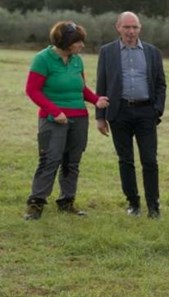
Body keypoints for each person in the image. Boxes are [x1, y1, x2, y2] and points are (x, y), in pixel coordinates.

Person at [23, 21, 109, 220]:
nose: (82, 46)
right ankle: (36, 203)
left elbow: (81, 88)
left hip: (79, 117)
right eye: (78, 42)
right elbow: (32, 90)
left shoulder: (77, 60)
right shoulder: (42, 59)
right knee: (49, 160)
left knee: (72, 161)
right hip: (53, 119)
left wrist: (96, 99)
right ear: (66, 42)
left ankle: (66, 201)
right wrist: (55, 111)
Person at [96, 12, 167, 218]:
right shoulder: (107, 52)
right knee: (125, 160)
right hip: (119, 113)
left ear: (140, 28)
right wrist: (100, 116)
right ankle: (133, 203)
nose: (131, 31)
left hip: (146, 112)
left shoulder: (153, 52)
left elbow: (161, 84)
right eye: (126, 27)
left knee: (150, 160)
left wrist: (157, 109)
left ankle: (153, 206)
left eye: (134, 27)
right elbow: (102, 84)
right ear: (118, 27)